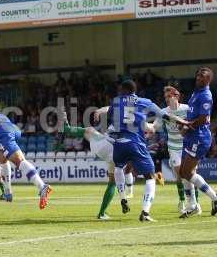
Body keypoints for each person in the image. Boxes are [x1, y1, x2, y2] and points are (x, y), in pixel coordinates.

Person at [108, 80, 189, 222]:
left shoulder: (115, 101)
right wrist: (182, 122)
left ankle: (123, 198)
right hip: (135, 142)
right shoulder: (144, 101)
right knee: (150, 177)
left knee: (119, 168)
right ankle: (145, 212)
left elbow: (110, 118)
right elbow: (165, 116)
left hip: (119, 143)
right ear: (134, 90)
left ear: (123, 90)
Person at [62, 108, 135, 220]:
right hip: (116, 154)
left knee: (89, 130)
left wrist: (99, 111)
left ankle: (65, 123)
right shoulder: (131, 127)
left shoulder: (119, 116)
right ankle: (104, 211)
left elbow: (111, 108)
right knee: (112, 183)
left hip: (102, 146)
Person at [149, 86, 201, 215]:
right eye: (165, 97)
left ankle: (195, 204)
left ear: (176, 96)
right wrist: (147, 127)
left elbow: (195, 124)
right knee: (179, 176)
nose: (167, 99)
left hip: (187, 146)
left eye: (169, 96)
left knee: (191, 175)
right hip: (173, 147)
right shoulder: (163, 112)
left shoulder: (187, 109)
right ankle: (183, 201)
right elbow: (154, 126)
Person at [179, 67, 217, 217]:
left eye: (202, 76)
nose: (198, 78)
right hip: (192, 135)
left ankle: (215, 197)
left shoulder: (205, 95)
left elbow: (204, 119)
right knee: (183, 172)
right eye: (198, 75)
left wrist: (187, 125)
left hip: (199, 137)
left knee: (186, 172)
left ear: (208, 80)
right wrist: (186, 124)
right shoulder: (196, 92)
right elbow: (193, 113)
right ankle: (192, 205)